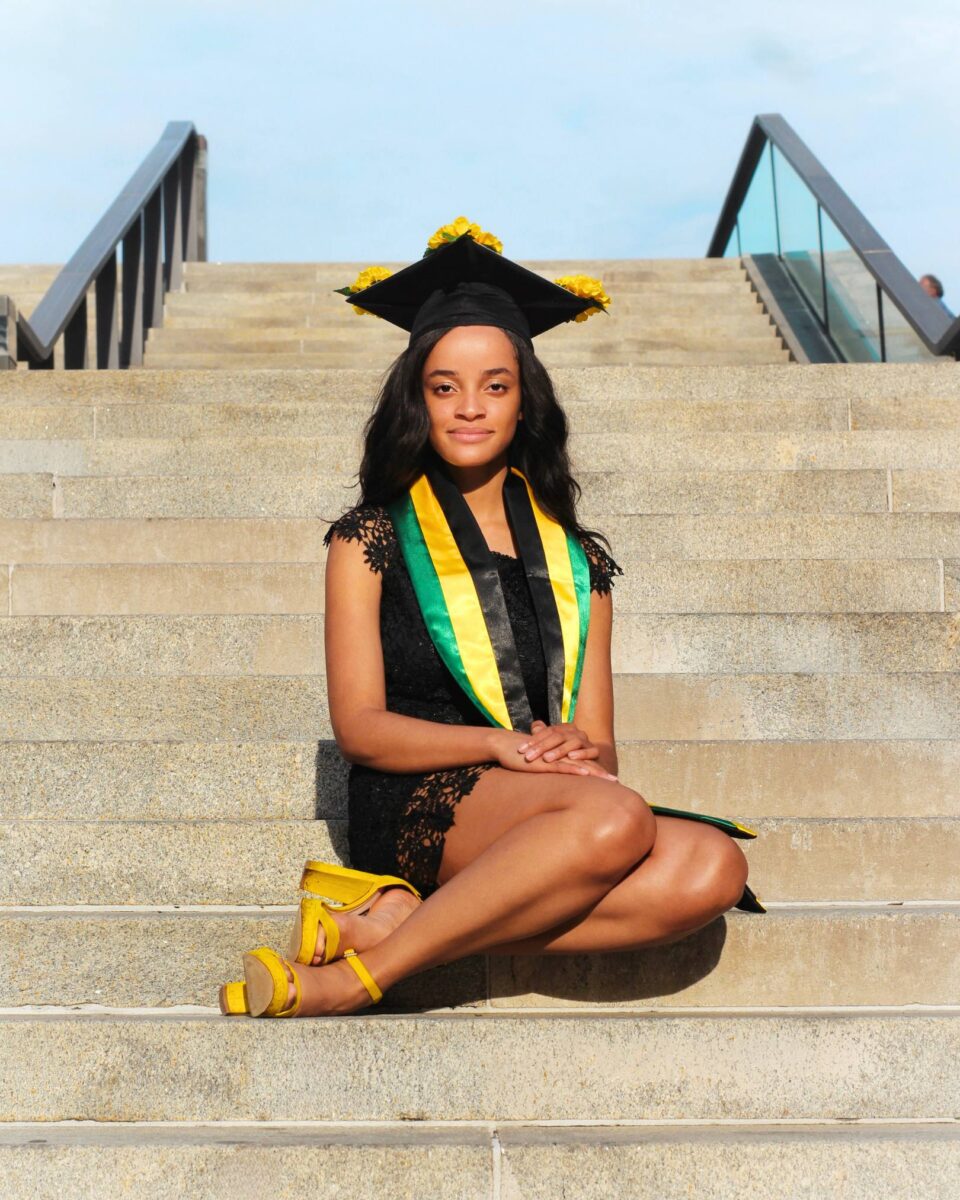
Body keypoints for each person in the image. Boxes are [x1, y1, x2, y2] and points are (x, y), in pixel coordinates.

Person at [218, 221, 763, 1019]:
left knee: (713, 869)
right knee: (617, 815)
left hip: (548, 806)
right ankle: (359, 981)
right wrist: (498, 745)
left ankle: (400, 927)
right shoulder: (369, 539)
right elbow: (362, 727)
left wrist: (573, 745)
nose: (469, 408)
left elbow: (601, 744)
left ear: (523, 400)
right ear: (418, 399)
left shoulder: (582, 564)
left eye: (494, 386)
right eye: (445, 387)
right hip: (417, 796)